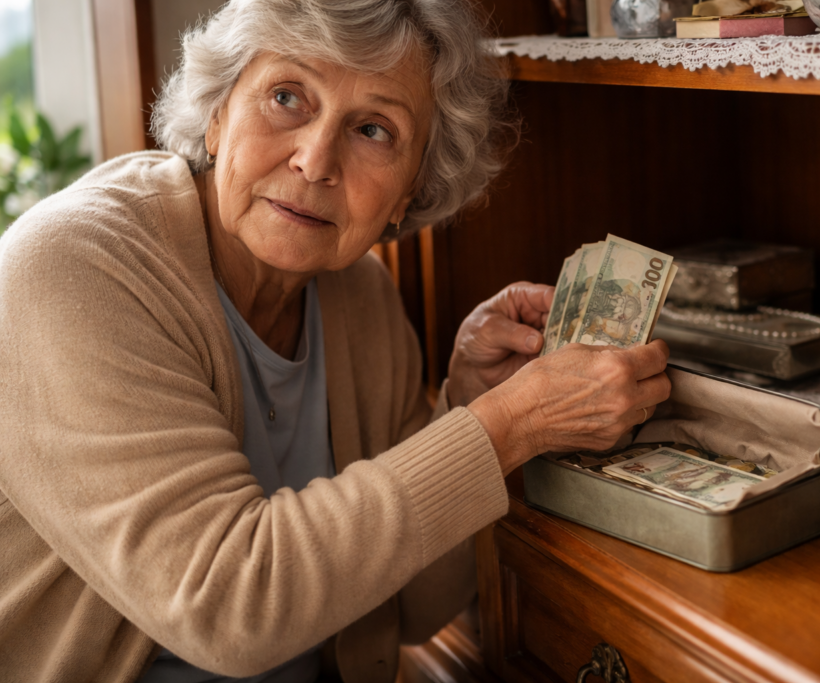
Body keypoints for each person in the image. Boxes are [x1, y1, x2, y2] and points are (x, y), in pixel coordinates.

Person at [0, 1, 671, 681]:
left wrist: (466, 405)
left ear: (410, 191)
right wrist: (508, 426)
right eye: (287, 97)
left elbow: (413, 605)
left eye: (373, 130)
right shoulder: (73, 267)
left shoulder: (362, 297)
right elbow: (230, 606)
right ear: (218, 113)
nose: (315, 160)